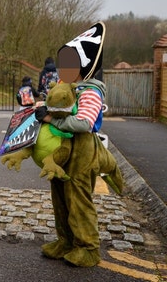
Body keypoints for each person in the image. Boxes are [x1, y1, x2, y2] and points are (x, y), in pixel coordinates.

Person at [35, 21, 112, 267]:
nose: (63, 68)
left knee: (78, 198)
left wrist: (50, 119)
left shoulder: (90, 91)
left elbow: (84, 124)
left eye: (70, 63)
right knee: (59, 197)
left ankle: (88, 247)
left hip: (83, 152)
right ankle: (65, 241)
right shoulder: (66, 87)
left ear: (85, 65)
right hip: (63, 152)